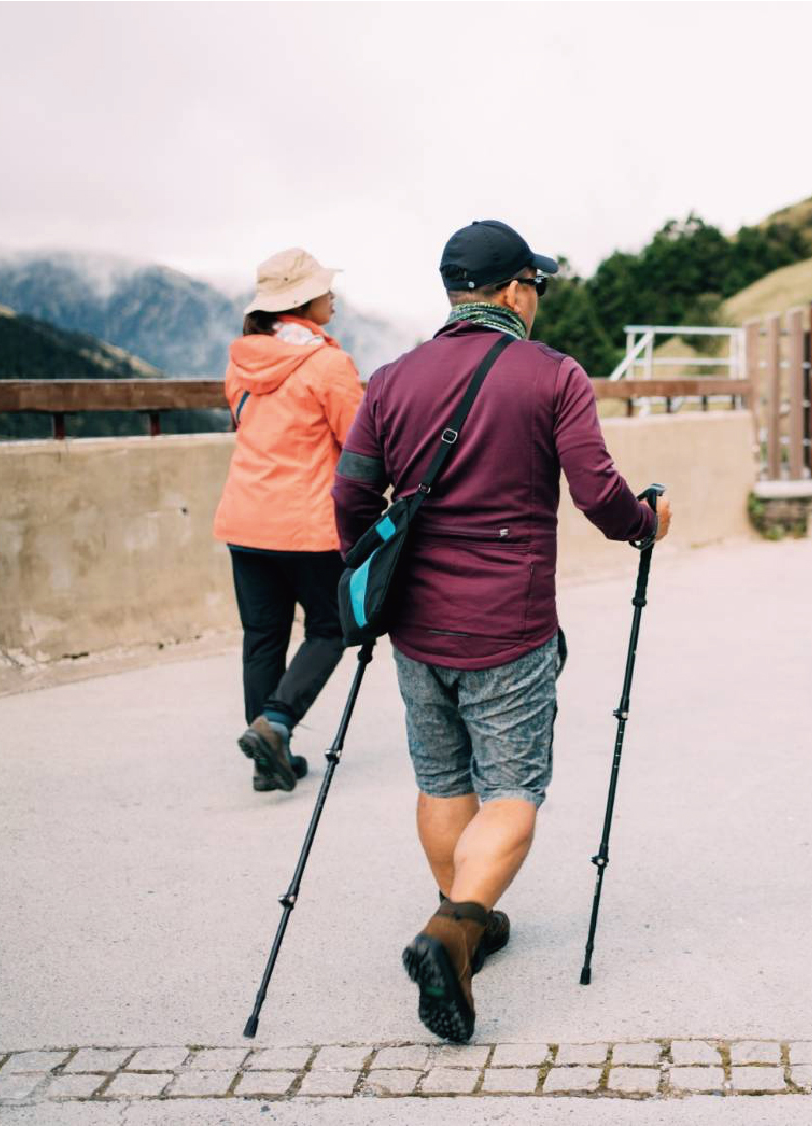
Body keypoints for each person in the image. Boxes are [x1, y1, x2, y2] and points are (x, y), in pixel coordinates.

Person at [333, 220, 671, 1043]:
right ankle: (453, 930)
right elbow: (599, 496)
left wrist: (371, 575)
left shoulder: (391, 380)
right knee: (514, 789)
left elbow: (349, 501)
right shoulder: (552, 375)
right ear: (518, 289)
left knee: (444, 780)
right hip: (510, 626)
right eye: (537, 286)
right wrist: (646, 522)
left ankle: (469, 923)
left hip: (415, 623)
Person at [213, 248, 363, 793]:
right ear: (304, 301)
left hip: (246, 520)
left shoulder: (242, 361)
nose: (334, 298)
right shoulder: (328, 365)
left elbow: (243, 425)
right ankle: (276, 723)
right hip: (307, 525)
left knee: (262, 638)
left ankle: (267, 761)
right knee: (330, 628)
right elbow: (357, 442)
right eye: (326, 290)